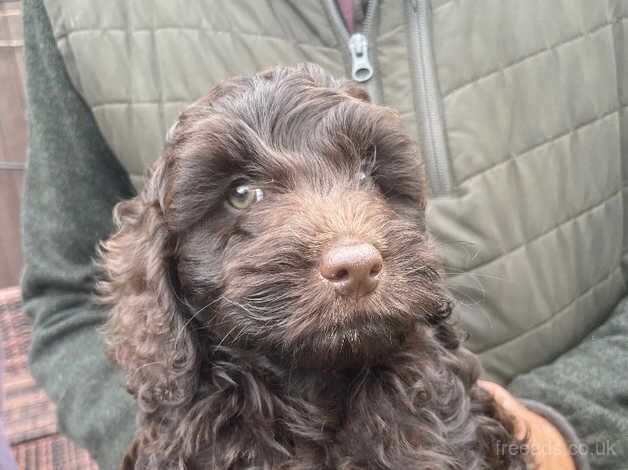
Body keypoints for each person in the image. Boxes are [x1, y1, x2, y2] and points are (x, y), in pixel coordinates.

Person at [20, 0, 627, 469]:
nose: (352, 245)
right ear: (164, 266)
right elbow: (67, 296)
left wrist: (558, 436)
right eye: (242, 195)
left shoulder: (434, 409)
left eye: (366, 173)